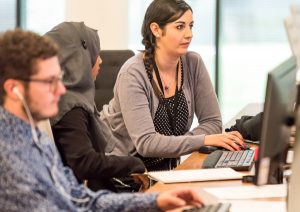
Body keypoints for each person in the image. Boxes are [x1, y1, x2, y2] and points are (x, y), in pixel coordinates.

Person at [0, 28, 203, 211]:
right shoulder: (9, 155)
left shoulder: (35, 138)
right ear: (13, 89)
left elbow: (79, 199)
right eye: (49, 81)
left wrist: (154, 201)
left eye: (59, 79)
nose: (61, 89)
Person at [100, 0, 245, 171]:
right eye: (180, 27)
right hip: (126, 175)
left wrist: (176, 143)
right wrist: (204, 139)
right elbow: (147, 143)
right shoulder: (133, 73)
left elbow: (212, 122)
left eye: (191, 26)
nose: (189, 34)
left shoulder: (193, 63)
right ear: (156, 30)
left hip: (165, 171)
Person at [45, 21, 146, 192]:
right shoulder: (70, 106)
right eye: (95, 53)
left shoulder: (73, 99)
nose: (100, 60)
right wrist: (133, 164)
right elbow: (84, 163)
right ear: (79, 58)